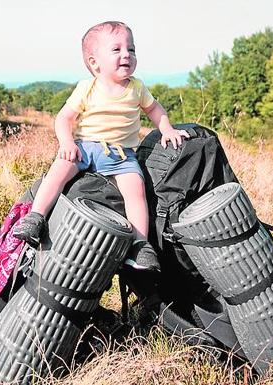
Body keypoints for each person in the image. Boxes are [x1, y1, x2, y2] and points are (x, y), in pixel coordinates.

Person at [13, 21, 188, 271]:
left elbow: (154, 109)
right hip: (84, 147)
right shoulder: (88, 88)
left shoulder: (137, 88)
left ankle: (140, 245)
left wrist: (167, 128)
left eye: (132, 49)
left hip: (120, 154)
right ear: (95, 63)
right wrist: (66, 142)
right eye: (116, 50)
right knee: (57, 172)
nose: (127, 54)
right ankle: (36, 217)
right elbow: (64, 118)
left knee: (135, 191)